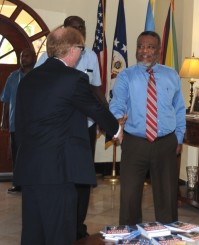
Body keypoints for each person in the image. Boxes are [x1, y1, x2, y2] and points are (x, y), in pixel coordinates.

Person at [14, 26, 122, 245]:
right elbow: (96, 108)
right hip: (58, 171)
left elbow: (21, 123)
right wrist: (117, 130)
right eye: (81, 49)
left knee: (33, 233)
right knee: (59, 233)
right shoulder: (73, 79)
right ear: (73, 49)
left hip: (30, 168)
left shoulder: (28, 79)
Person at [35, 15, 106, 239]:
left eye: (82, 27)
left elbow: (96, 90)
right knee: (61, 175)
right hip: (59, 127)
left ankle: (78, 225)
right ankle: (60, 222)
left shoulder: (91, 55)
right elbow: (35, 87)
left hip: (85, 125)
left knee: (83, 177)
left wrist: (106, 118)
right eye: (74, 28)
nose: (79, 30)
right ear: (64, 31)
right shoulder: (48, 57)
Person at [109, 31, 186, 225]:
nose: (144, 51)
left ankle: (168, 234)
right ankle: (130, 235)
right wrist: (118, 121)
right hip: (135, 143)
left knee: (167, 197)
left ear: (158, 51)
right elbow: (117, 104)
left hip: (166, 142)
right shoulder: (126, 76)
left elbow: (179, 108)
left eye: (150, 47)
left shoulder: (171, 75)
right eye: (141, 46)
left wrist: (178, 138)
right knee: (129, 196)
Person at [0, 48, 36, 193]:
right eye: (21, 56)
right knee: (17, 155)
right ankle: (18, 183)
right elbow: (6, 100)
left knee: (34, 154)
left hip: (35, 124)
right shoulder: (12, 77)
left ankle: (33, 182)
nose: (23, 59)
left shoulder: (39, 76)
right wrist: (4, 120)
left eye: (26, 56)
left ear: (33, 58)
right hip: (16, 123)